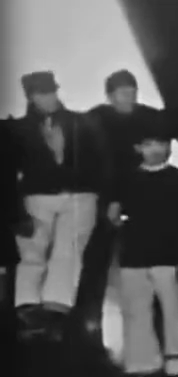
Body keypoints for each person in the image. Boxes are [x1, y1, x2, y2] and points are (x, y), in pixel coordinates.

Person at [12, 70, 111, 324]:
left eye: (51, 91)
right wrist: (15, 209)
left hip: (79, 194)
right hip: (37, 195)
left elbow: (100, 159)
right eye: (42, 93)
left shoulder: (81, 122)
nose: (49, 97)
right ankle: (27, 304)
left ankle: (56, 306)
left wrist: (100, 191)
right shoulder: (18, 129)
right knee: (32, 249)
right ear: (31, 97)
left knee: (70, 249)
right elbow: (9, 169)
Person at [108, 129, 178, 377]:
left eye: (161, 143)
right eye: (149, 144)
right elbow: (113, 214)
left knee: (177, 313)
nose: (155, 149)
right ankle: (141, 366)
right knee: (136, 313)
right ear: (138, 148)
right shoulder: (126, 178)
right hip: (134, 257)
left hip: (172, 258)